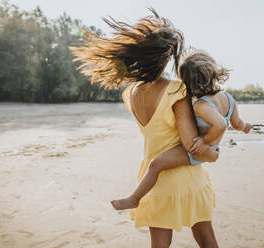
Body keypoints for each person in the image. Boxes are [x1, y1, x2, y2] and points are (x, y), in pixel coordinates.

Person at [71, 9, 221, 247]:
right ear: (163, 59)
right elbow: (192, 146)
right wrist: (213, 155)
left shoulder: (130, 94)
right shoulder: (177, 91)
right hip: (185, 179)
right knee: (205, 239)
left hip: (152, 181)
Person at [111, 50, 253, 211]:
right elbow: (237, 123)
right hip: (209, 148)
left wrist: (203, 142)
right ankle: (134, 199)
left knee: (156, 164)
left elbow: (220, 125)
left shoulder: (202, 105)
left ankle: (134, 199)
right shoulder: (228, 98)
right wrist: (246, 127)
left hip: (196, 149)